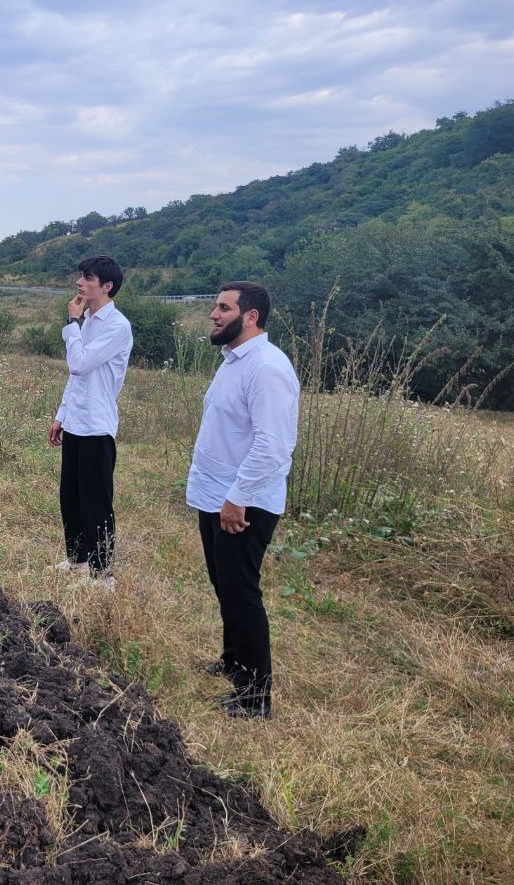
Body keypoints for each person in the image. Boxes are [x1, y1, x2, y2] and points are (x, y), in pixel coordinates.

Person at [187, 281, 299, 719]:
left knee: (241, 593)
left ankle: (255, 698)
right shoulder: (233, 361)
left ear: (250, 316)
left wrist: (237, 499)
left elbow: (273, 445)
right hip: (216, 496)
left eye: (223, 308)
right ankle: (234, 661)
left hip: (243, 503)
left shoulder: (268, 368)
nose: (214, 314)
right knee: (224, 586)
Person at [47, 255, 133, 586]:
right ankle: (78, 562)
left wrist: (71, 324)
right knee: (70, 497)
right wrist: (61, 416)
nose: (80, 283)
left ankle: (101, 575)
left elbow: (79, 364)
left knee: (97, 503)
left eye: (88, 278)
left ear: (107, 286)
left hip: (97, 427)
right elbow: (77, 380)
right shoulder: (89, 321)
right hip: (77, 423)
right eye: (81, 276)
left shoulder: (116, 326)